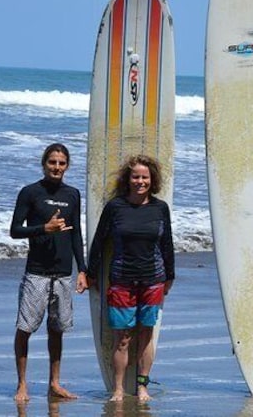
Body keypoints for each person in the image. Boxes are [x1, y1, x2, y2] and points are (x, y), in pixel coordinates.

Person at [87, 155, 175, 402]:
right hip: (122, 280)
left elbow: (167, 243)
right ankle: (117, 389)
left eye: (144, 177)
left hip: (153, 279)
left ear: (152, 179)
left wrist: (170, 275)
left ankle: (142, 387)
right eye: (135, 176)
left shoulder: (160, 208)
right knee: (122, 338)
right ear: (128, 179)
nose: (140, 181)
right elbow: (99, 242)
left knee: (146, 335)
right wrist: (90, 273)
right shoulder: (115, 207)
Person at [10, 143, 88, 403]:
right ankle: (22, 384)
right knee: (25, 328)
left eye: (62, 163)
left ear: (67, 165)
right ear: (44, 164)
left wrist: (82, 270)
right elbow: (15, 230)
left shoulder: (73, 194)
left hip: (64, 273)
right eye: (52, 162)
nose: (57, 167)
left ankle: (54, 383)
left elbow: (76, 233)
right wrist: (44, 228)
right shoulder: (30, 193)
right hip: (37, 272)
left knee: (57, 329)